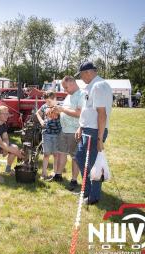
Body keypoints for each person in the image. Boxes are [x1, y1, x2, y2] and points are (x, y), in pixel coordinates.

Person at [74, 61, 113, 205]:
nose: (81, 78)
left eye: (82, 75)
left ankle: (93, 196)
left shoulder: (99, 86)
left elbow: (102, 114)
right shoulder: (91, 86)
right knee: (80, 158)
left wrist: (100, 137)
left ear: (88, 72)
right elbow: (87, 110)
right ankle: (87, 190)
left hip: (95, 131)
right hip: (87, 129)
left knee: (93, 164)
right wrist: (80, 127)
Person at [53, 76, 84, 191]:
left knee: (75, 157)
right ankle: (58, 175)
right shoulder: (69, 95)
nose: (65, 90)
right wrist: (57, 112)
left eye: (66, 87)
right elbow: (65, 109)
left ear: (72, 83)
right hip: (64, 130)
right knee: (61, 153)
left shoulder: (81, 95)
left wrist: (62, 110)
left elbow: (79, 113)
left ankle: (74, 180)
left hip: (74, 131)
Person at [36, 92, 62, 181]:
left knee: (56, 154)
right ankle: (44, 173)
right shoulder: (44, 106)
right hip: (46, 133)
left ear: (55, 98)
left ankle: (55, 172)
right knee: (46, 154)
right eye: (46, 101)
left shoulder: (59, 106)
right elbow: (38, 113)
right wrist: (41, 121)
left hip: (58, 134)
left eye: (49, 101)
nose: (48, 103)